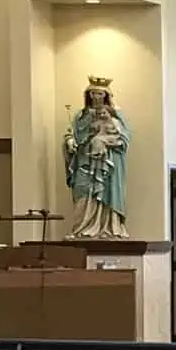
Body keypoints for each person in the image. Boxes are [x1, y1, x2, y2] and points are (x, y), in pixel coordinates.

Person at [63, 78, 131, 239]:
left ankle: (108, 227)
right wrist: (70, 140)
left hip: (107, 163)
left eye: (99, 93)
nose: (95, 97)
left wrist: (106, 141)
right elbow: (70, 132)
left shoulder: (115, 114)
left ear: (107, 95)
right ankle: (82, 228)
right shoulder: (81, 115)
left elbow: (124, 137)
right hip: (84, 160)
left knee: (106, 192)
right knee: (82, 190)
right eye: (92, 93)